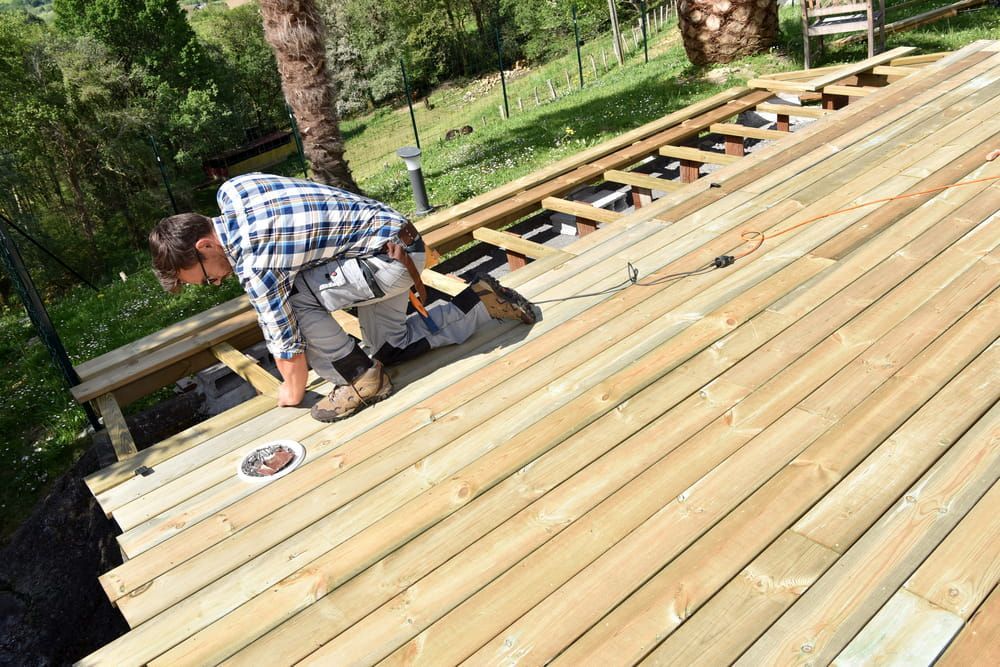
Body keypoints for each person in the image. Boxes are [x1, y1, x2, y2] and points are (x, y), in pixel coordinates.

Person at [149, 173, 536, 422]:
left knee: (294, 298)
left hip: (384, 263)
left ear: (204, 244)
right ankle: (483, 301)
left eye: (207, 278)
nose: (217, 281)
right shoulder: (235, 189)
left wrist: (289, 392)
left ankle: (358, 378)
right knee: (390, 348)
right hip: (398, 243)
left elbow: (286, 347)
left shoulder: (254, 263)